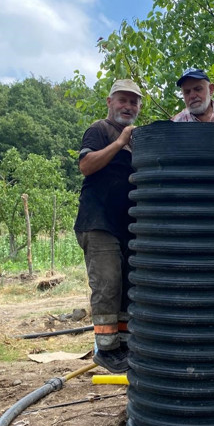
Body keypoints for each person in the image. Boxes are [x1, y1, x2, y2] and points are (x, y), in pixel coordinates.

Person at [74, 79, 143, 373]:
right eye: (122, 100)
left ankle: (124, 345)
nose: (127, 106)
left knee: (128, 286)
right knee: (108, 284)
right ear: (109, 102)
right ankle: (105, 349)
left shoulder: (138, 140)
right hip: (98, 221)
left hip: (127, 226)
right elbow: (86, 166)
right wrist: (119, 143)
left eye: (133, 102)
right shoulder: (99, 130)